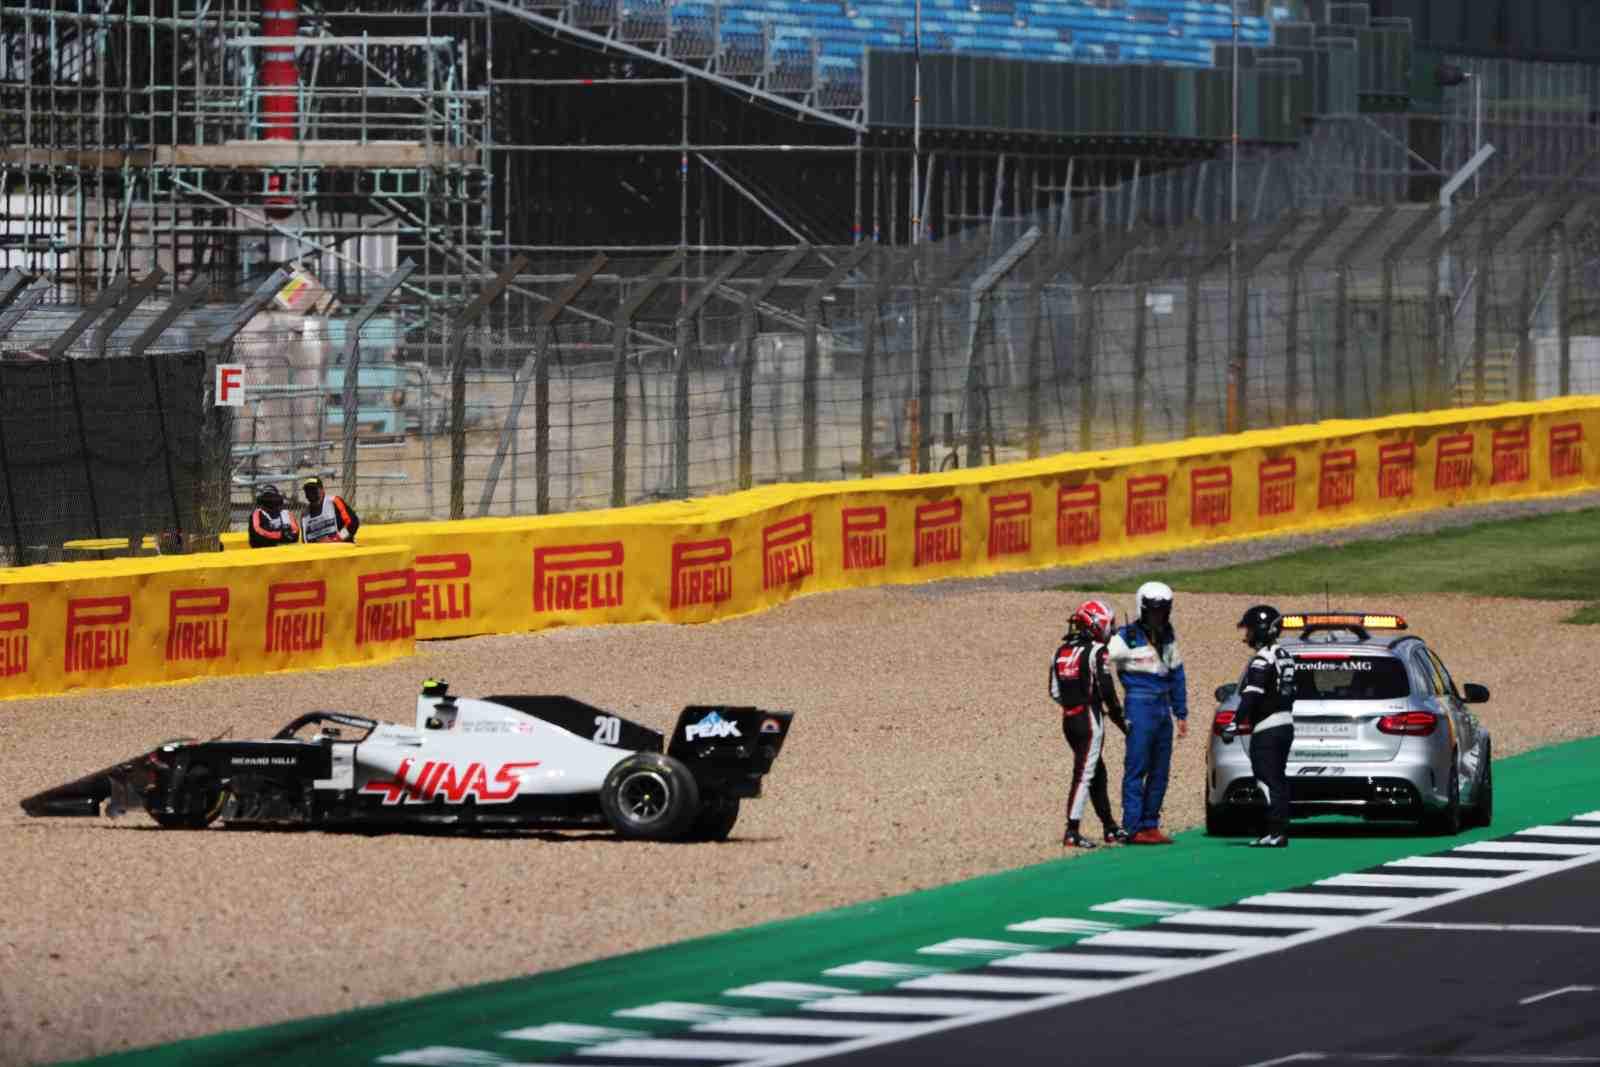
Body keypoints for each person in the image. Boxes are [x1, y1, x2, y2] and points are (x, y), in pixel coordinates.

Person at [1106, 580, 1187, 844]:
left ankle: (1150, 824)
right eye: (1154, 611)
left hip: (1163, 706)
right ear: (1142, 608)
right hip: (1138, 704)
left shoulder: (1168, 634)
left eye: (1163, 611)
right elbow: (1101, 662)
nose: (1159, 616)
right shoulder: (1125, 637)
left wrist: (1181, 712)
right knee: (1136, 767)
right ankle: (1132, 827)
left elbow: (1177, 673)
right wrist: (1109, 700)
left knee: (1160, 770)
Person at [1049, 599, 1128, 849]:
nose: (1111, 630)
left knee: (1096, 772)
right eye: (1108, 625)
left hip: (1069, 719)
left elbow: (1054, 691)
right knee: (1084, 773)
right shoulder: (1097, 651)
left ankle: (1110, 827)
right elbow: (1108, 693)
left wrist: (1073, 704)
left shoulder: (1059, 652)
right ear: (1096, 625)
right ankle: (1072, 830)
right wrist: (1123, 724)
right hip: (1089, 720)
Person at [1233, 604, 1297, 848]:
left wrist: (1235, 722)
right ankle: (1276, 831)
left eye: (1249, 629)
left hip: (1267, 728)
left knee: (1267, 779)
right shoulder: (1285, 655)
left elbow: (1252, 694)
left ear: (1260, 630)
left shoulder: (1262, 659)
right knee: (1279, 779)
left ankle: (1275, 832)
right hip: (1286, 724)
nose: (1246, 635)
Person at [299, 476, 360, 544]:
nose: (310, 493)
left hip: (342, 549)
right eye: (307, 491)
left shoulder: (334, 502)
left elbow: (353, 523)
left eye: (313, 489)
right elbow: (305, 542)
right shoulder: (304, 515)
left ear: (322, 490)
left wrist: (335, 539)